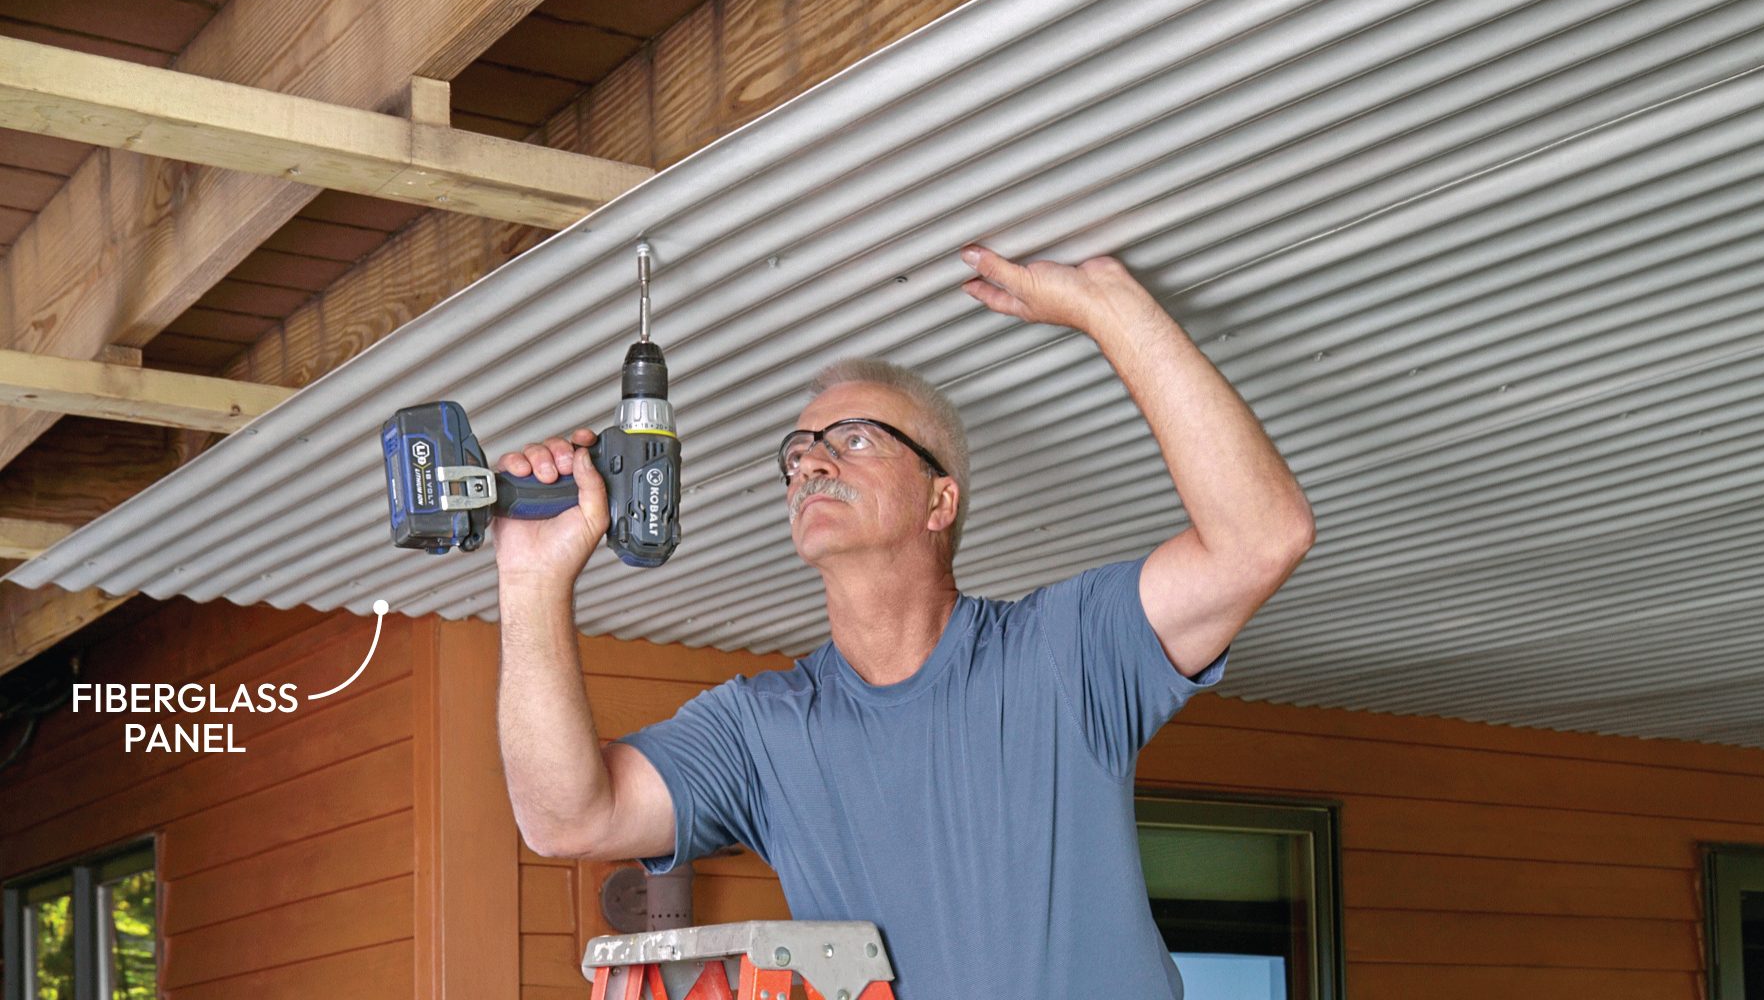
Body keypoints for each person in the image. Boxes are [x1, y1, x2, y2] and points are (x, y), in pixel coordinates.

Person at [491, 245, 1314, 998]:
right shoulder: (760, 733)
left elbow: (1261, 538)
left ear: (939, 500)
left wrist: (1109, 308)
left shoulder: (1063, 655)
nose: (811, 462)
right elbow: (566, 818)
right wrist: (531, 581)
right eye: (799, 452)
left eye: (855, 440)